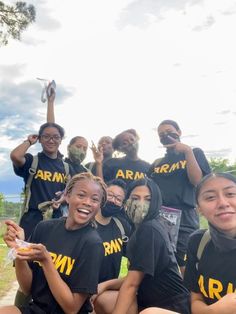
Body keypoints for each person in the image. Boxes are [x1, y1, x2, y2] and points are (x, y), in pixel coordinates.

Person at [0, 172, 107, 314]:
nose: (87, 202)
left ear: (99, 206)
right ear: (67, 197)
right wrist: (19, 248)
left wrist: (47, 261)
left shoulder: (93, 244)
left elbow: (72, 308)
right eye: (81, 195)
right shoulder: (44, 228)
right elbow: (27, 288)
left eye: (94, 199)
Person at [93, 178, 190, 314]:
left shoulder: (150, 229)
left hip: (172, 305)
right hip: (148, 301)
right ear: (127, 201)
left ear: (156, 202)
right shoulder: (137, 227)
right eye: (135, 198)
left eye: (148, 199)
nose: (141, 203)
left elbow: (132, 284)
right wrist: (105, 285)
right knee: (103, 298)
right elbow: (134, 276)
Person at [148, 119, 211, 274]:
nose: (165, 135)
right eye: (161, 134)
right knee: (162, 258)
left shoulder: (194, 152)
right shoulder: (157, 163)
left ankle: (188, 295)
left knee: (185, 260)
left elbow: (197, 181)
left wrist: (187, 152)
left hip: (185, 214)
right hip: (160, 215)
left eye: (169, 131)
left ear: (179, 132)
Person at [184, 172, 236, 314]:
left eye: (230, 194)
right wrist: (216, 311)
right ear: (199, 209)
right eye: (210, 197)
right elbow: (196, 299)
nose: (223, 203)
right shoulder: (198, 242)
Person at [10, 122, 69, 240]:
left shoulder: (66, 167)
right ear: (40, 139)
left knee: (51, 256)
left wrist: (65, 196)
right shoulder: (32, 161)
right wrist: (29, 141)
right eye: (46, 136)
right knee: (26, 255)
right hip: (32, 220)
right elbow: (15, 156)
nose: (51, 140)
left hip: (56, 220)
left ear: (61, 140)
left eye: (56, 137)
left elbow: (71, 187)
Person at [46, 83, 89, 176]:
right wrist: (50, 103)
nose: (81, 150)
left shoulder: (86, 173)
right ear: (69, 147)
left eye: (85, 148)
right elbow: (51, 129)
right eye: (78, 146)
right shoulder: (59, 163)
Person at [95, 178, 131, 283]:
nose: (112, 200)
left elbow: (132, 258)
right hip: (84, 287)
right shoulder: (86, 225)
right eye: (110, 195)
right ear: (102, 195)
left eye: (118, 199)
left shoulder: (122, 226)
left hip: (107, 288)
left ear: (122, 205)